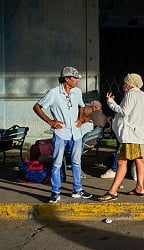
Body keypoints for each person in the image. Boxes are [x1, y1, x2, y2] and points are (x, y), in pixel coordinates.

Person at [32, 66, 93, 203]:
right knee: (57, 163)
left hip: (75, 133)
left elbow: (81, 105)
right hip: (61, 133)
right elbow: (37, 107)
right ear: (67, 79)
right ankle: (55, 191)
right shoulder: (53, 93)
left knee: (77, 162)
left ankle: (78, 189)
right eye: (75, 78)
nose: (77, 80)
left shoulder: (77, 92)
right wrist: (50, 121)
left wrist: (81, 118)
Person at [98, 73, 144, 202]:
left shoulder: (131, 94)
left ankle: (113, 191)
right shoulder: (143, 95)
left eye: (125, 82)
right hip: (140, 134)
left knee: (121, 161)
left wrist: (110, 102)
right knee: (139, 159)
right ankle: (140, 187)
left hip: (130, 135)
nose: (123, 85)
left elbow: (124, 111)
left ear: (129, 83)